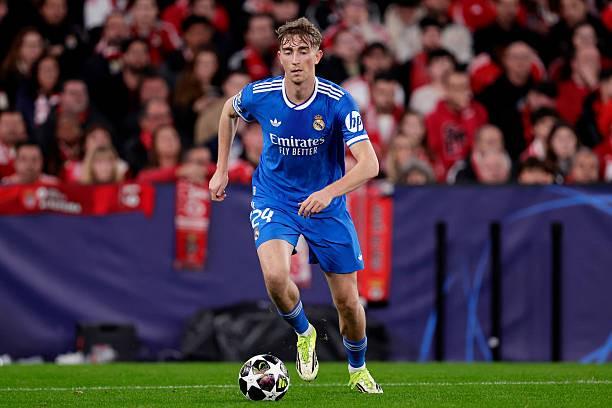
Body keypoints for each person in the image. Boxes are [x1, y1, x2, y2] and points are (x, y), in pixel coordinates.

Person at [208, 17, 382, 393]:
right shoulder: (261, 93)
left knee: (348, 303)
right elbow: (228, 112)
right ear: (280, 57)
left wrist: (329, 192)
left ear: (317, 55)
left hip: (325, 205)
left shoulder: (337, 102)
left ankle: (357, 369)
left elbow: (370, 165)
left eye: (304, 51)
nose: (296, 58)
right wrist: (221, 169)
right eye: (288, 52)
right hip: (275, 198)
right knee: (274, 277)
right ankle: (305, 333)